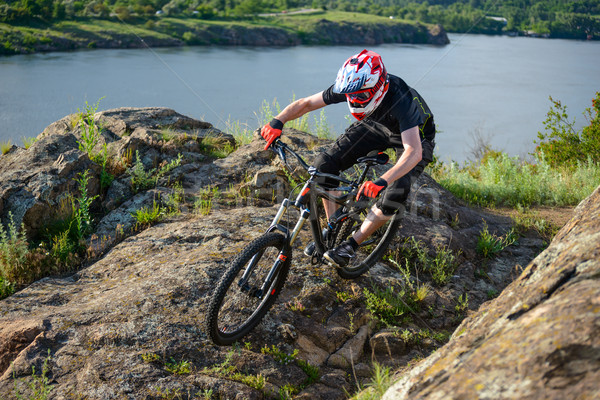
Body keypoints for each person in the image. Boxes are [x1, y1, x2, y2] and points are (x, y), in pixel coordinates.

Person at [260, 49, 436, 268]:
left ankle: (351, 245)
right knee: (323, 166)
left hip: (413, 136)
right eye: (350, 96)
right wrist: (278, 120)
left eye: (360, 96)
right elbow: (306, 103)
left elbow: (413, 151)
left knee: (396, 189)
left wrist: (382, 181)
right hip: (374, 126)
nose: (354, 99)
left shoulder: (400, 98)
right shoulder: (352, 85)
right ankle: (332, 228)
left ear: (378, 86)